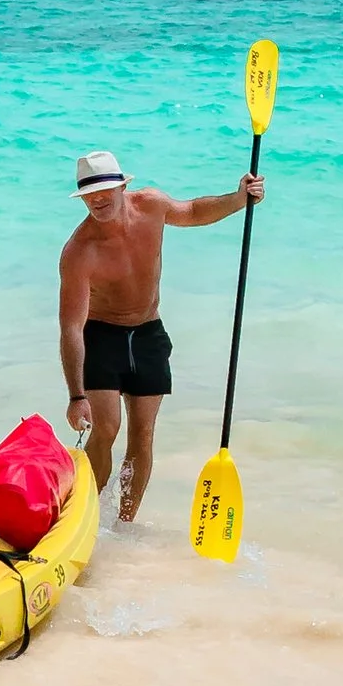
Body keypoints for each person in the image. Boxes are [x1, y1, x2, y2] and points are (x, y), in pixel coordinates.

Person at [58, 148, 263, 523]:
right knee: (105, 428)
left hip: (149, 333)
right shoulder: (79, 252)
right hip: (102, 336)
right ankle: (81, 518)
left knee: (142, 436)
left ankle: (124, 523)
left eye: (105, 190)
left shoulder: (151, 205)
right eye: (90, 194)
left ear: (121, 187)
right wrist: (76, 395)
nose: (99, 199)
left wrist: (238, 199)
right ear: (82, 197)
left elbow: (192, 211)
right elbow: (71, 326)